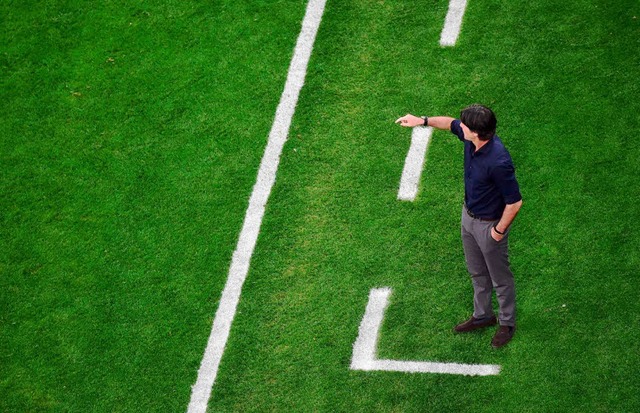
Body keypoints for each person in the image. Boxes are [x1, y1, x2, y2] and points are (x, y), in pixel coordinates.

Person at [396, 104, 523, 348]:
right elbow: (449, 122)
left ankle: (507, 323)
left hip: (489, 226)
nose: (460, 126)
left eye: (465, 125)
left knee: (500, 278)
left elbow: (514, 202)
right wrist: (422, 120)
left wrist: (498, 232)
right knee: (477, 271)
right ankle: (483, 315)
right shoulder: (473, 139)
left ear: (476, 132)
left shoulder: (498, 161)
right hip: (469, 217)